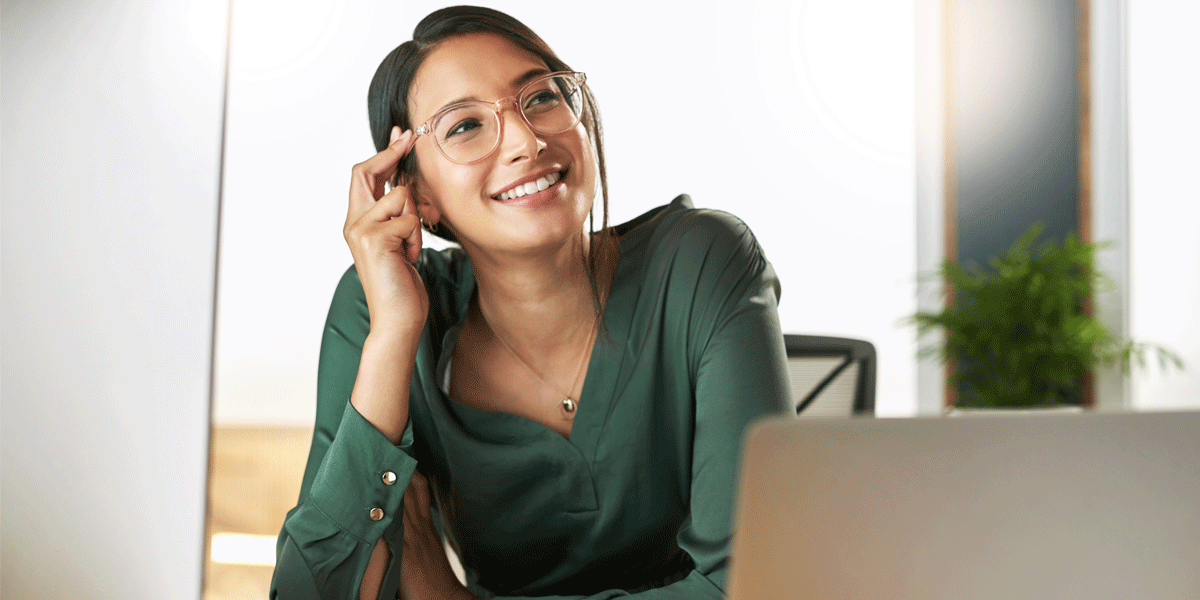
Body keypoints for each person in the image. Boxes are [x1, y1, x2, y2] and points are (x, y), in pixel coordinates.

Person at [270, 6, 792, 600]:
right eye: (464, 126)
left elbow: (755, 584)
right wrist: (394, 333)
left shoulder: (703, 260)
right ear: (417, 194)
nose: (526, 138)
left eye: (541, 98)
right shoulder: (379, 307)